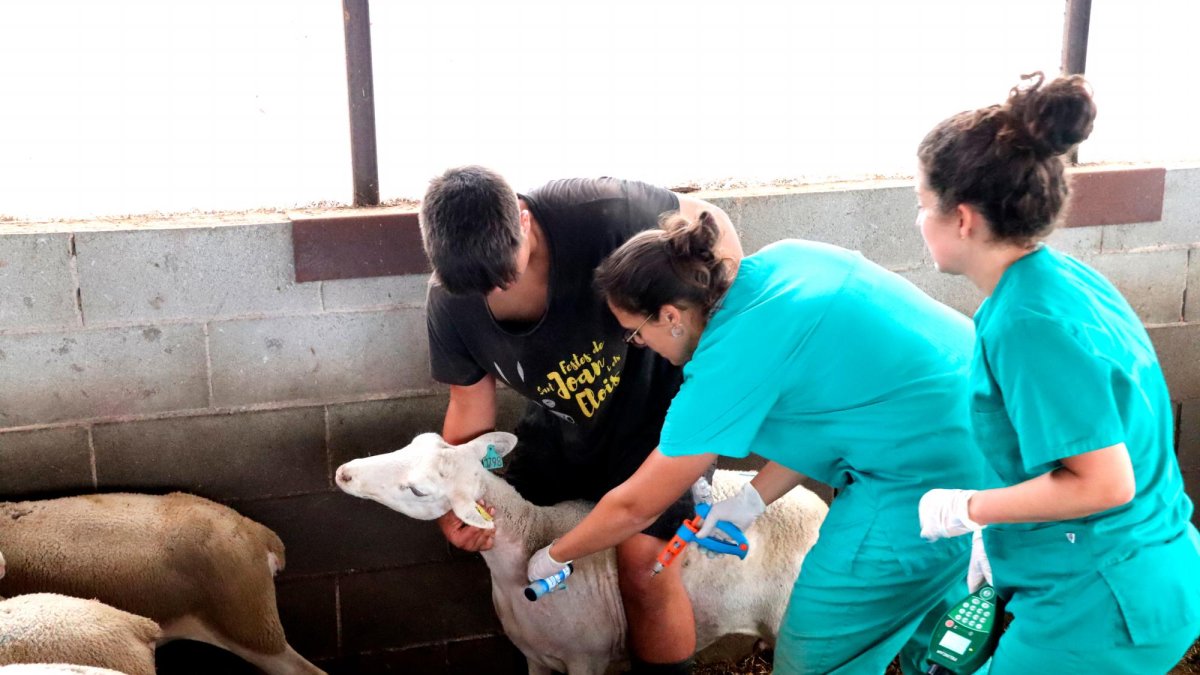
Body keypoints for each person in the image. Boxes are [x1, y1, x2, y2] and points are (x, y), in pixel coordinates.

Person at [526, 209, 990, 674]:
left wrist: (554, 555)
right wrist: (750, 499)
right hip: (984, 426)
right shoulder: (785, 262)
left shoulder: (725, 362)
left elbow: (637, 506)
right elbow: (837, 414)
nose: (639, 345)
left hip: (918, 479)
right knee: (939, 637)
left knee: (814, 653)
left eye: (635, 333)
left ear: (670, 316)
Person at [914, 72, 1200, 673]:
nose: (919, 221)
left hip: (1103, 601)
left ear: (963, 219)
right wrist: (1000, 540)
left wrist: (971, 509)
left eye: (921, 204)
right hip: (1138, 565)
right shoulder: (1058, 280)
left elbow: (1104, 483)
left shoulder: (1027, 323)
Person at [418, 166, 742, 674]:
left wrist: (717, 352)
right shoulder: (449, 303)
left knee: (644, 566)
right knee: (511, 530)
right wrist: (454, 501)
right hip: (563, 428)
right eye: (475, 289)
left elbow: (711, 219)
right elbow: (469, 403)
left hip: (660, 417)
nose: (496, 293)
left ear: (524, 220)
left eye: (508, 274)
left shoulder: (600, 214)